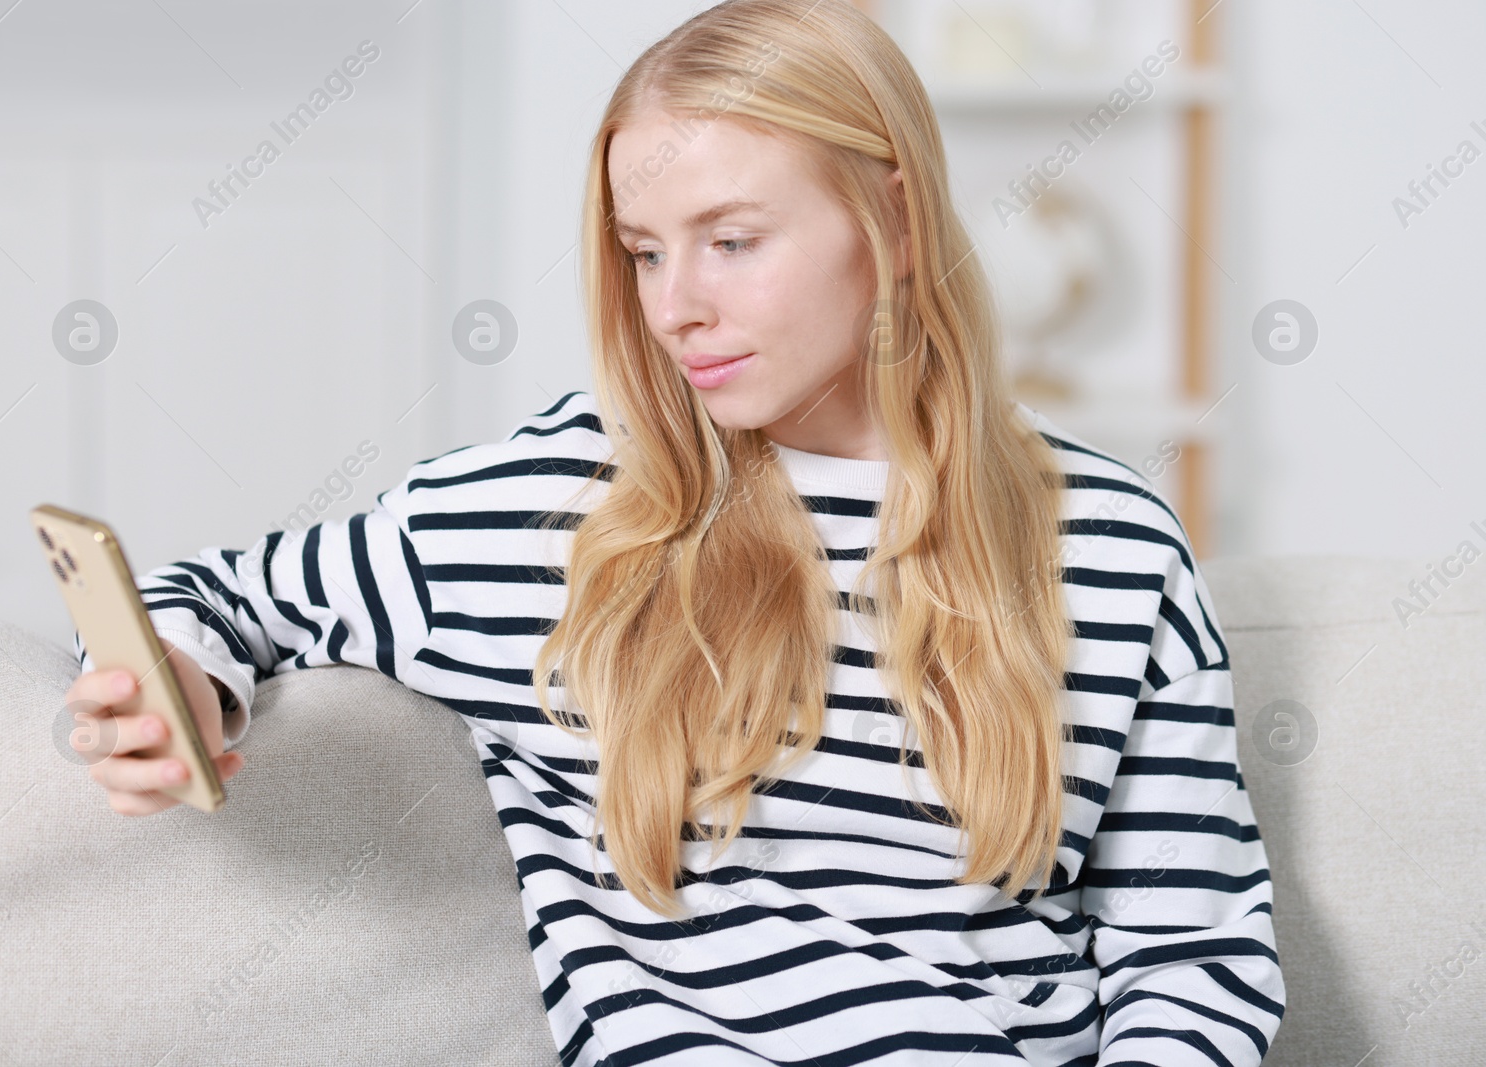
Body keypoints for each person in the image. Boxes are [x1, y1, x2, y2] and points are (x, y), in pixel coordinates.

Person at [62, 1, 1285, 1062]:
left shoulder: (1111, 545)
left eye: (732, 242)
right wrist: (177, 680)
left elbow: (1193, 951)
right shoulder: (553, 515)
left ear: (896, 225)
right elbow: (223, 596)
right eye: (645, 253)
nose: (676, 307)